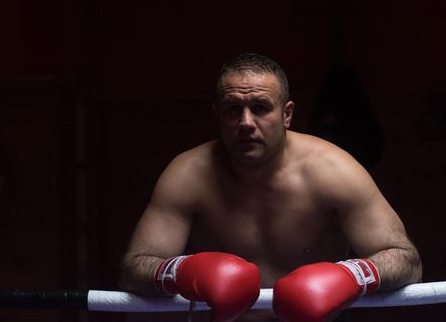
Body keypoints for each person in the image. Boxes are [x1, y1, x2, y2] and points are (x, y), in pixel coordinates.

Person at [118, 53, 422, 322]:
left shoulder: (333, 169)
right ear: (217, 115)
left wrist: (349, 276)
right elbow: (134, 268)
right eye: (233, 109)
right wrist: (185, 272)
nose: (246, 122)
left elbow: (406, 259)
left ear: (286, 114)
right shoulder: (188, 175)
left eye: (260, 107)